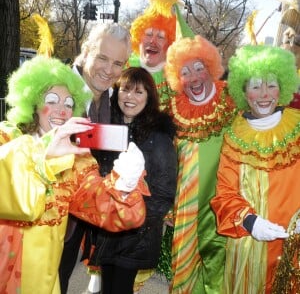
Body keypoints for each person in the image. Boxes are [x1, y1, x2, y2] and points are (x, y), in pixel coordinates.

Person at [0, 56, 149, 293]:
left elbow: (104, 209)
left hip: (44, 278)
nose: (62, 110)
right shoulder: (7, 138)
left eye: (69, 104)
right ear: (32, 103)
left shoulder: (76, 159)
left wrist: (124, 184)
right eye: (51, 100)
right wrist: (45, 155)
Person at [210, 45, 300, 294]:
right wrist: (250, 221)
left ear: (282, 87)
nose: (264, 95)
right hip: (250, 245)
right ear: (243, 90)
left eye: (271, 85)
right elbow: (224, 193)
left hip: (294, 245)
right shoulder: (234, 134)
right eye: (255, 86)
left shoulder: (298, 125)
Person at [83, 67, 177, 294]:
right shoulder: (106, 126)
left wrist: (133, 221)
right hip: (106, 229)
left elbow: (164, 191)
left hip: (136, 234)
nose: (130, 98)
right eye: (125, 90)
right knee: (108, 288)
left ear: (149, 97)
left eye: (138, 92)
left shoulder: (159, 135)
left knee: (121, 289)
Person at [58, 22, 132, 294]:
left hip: (84, 220)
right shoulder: (57, 90)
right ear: (86, 51)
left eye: (117, 63)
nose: (108, 70)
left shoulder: (114, 99)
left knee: (63, 277)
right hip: (50, 217)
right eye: (102, 57)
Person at [164, 28, 237, 292]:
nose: (193, 77)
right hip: (185, 205)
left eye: (198, 68)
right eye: (185, 72)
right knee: (184, 266)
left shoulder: (231, 99)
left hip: (222, 203)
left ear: (210, 67)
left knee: (218, 267)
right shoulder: (172, 108)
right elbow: (165, 160)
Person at [127, 0, 177, 110]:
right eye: (148, 34)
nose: (152, 41)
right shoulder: (123, 67)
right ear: (138, 38)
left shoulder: (176, 77)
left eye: (160, 37)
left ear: (169, 44)